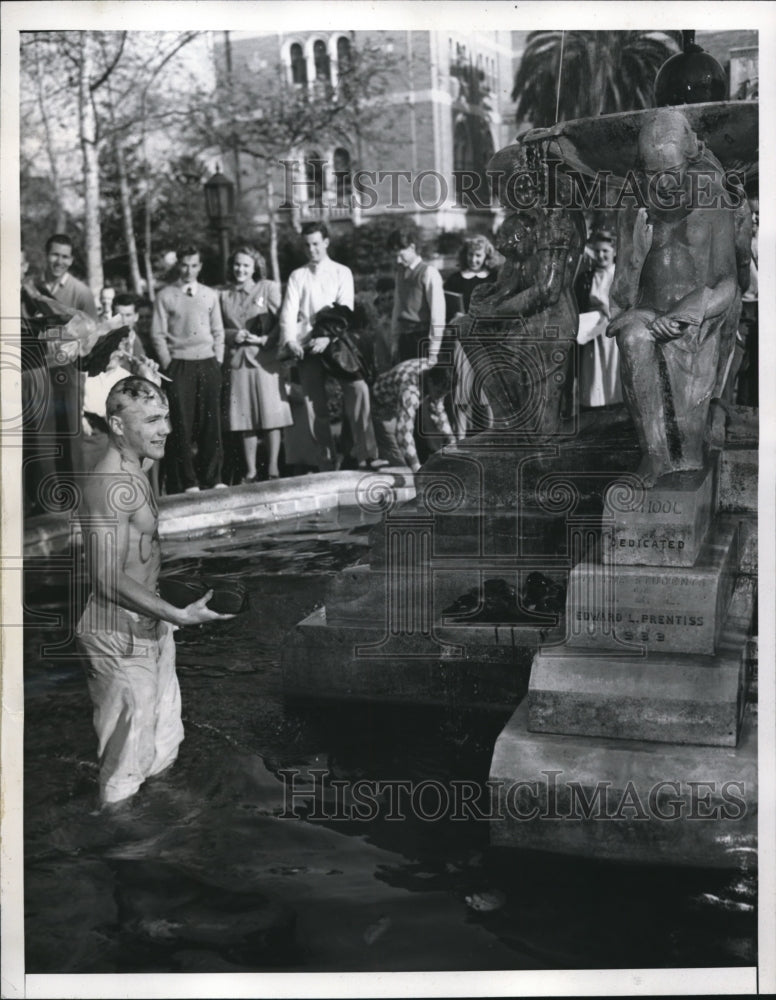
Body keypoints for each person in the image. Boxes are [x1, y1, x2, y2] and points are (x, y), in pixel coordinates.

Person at [76, 376, 234, 807]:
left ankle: (161, 830)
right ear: (117, 425)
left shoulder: (140, 464)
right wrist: (178, 614)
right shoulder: (108, 484)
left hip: (152, 623)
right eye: (151, 420)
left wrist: (167, 613)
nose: (165, 428)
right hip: (116, 632)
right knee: (125, 767)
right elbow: (105, 578)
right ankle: (123, 855)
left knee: (163, 745)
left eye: (165, 417)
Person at [607, 109, 742, 486]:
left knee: (693, 451)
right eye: (652, 174)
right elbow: (621, 292)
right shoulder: (633, 206)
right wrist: (635, 251)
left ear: (690, 160)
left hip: (698, 317)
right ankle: (654, 455)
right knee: (632, 337)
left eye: (672, 172)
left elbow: (728, 282)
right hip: (647, 310)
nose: (663, 184)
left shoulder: (713, 199)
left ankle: (698, 432)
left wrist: (689, 311)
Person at [278, 222, 377, 471]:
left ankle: (365, 453)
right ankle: (326, 460)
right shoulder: (297, 276)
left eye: (315, 243)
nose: (311, 249)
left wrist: (327, 337)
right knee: (314, 406)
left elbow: (344, 309)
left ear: (326, 242)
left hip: (336, 344)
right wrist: (290, 341)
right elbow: (288, 312)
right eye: (307, 245)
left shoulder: (342, 272)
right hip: (307, 347)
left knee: (358, 389)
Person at [151, 246, 226, 493]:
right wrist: (168, 364)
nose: (189, 270)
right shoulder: (165, 295)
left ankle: (212, 478)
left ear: (200, 266)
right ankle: (188, 482)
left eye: (194, 265)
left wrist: (218, 360)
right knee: (181, 425)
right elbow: (157, 334)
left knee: (210, 423)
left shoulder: (210, 294)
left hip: (207, 362)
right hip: (179, 365)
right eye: (184, 265)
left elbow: (218, 331)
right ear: (178, 265)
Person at [220, 247, 292, 482]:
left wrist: (264, 339)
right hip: (239, 361)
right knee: (244, 418)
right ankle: (251, 471)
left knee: (271, 416)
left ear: (255, 268)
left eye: (246, 265)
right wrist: (232, 336)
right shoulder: (224, 295)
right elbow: (218, 327)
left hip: (266, 360)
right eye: (237, 264)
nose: (240, 269)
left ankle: (272, 469)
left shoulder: (268, 288)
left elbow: (283, 321)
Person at [371, 359, 455, 473]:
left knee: (403, 459)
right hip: (381, 404)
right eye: (439, 392)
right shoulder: (410, 390)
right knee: (401, 463)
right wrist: (416, 467)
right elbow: (404, 432)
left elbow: (438, 411)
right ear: (430, 382)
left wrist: (451, 441)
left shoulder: (433, 370)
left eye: (444, 394)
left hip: (395, 398)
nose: (440, 396)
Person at [574, 230, 622, 408]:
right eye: (598, 251)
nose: (601, 256)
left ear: (614, 251)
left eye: (606, 251)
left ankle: (615, 405)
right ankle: (594, 407)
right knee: (594, 372)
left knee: (612, 370)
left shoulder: (619, 275)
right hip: (593, 333)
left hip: (614, 333)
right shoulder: (587, 278)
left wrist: (608, 309)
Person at [388, 227, 446, 365]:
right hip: (404, 339)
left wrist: (433, 351)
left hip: (422, 338)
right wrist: (395, 342)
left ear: (412, 247)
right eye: (395, 255)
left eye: (401, 255)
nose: (398, 260)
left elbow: (438, 314)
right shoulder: (400, 274)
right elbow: (398, 308)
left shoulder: (429, 272)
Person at [444, 235, 499, 316]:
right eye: (470, 254)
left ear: (486, 257)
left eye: (478, 255)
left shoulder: (495, 278)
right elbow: (444, 306)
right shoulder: (454, 279)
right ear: (465, 255)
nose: (473, 260)